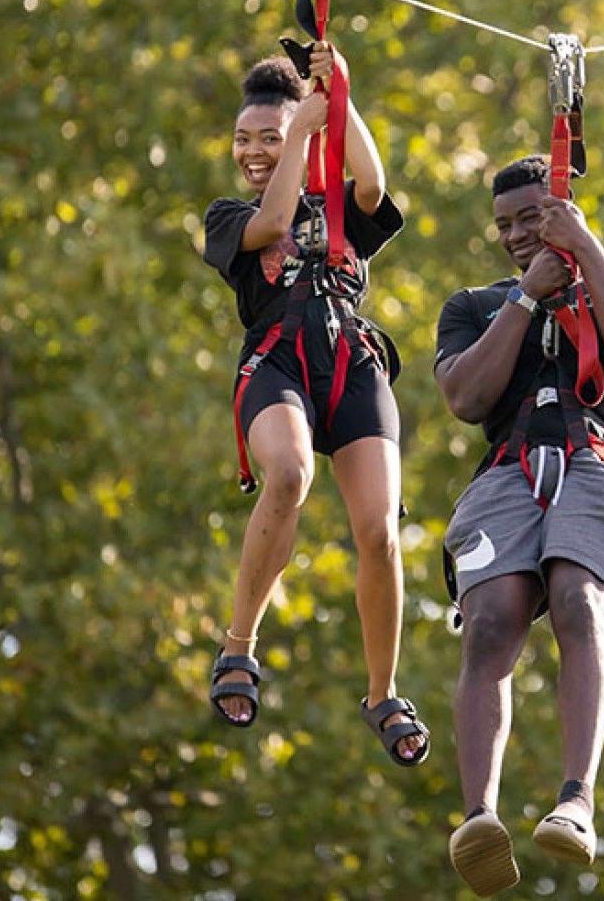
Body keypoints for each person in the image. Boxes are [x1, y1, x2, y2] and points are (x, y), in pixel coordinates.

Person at [434, 155, 604, 894]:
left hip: (594, 464)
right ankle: (479, 815)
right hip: (506, 474)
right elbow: (468, 398)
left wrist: (583, 250)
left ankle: (576, 799)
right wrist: (526, 301)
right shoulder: (473, 306)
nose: (514, 234)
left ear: (564, 210)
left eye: (531, 217)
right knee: (491, 623)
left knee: (578, 598)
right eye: (504, 224)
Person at [201, 43, 428, 766]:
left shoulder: (340, 209)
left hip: (352, 364)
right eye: (244, 138)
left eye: (268, 136)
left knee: (379, 531)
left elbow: (372, 181)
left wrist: (341, 92)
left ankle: (383, 689)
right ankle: (239, 645)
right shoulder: (228, 215)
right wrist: (300, 131)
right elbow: (270, 226)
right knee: (291, 474)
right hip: (279, 360)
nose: (253, 151)